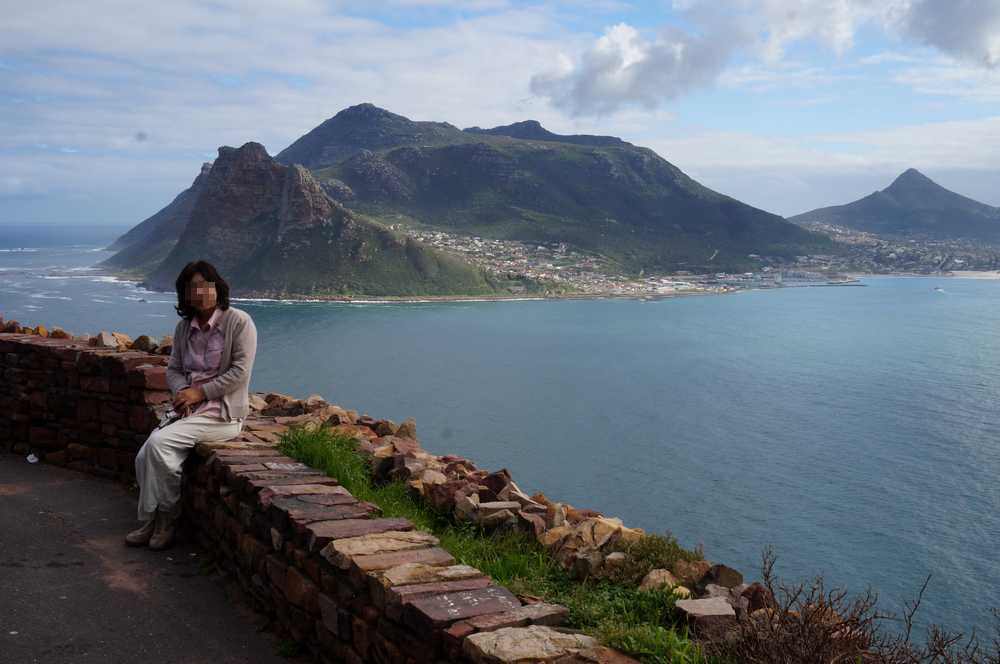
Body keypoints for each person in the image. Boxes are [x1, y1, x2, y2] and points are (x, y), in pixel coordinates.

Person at [125, 260, 258, 550]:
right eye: (192, 288)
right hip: (189, 410)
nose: (200, 292)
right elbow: (173, 369)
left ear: (217, 287)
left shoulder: (239, 322)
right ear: (185, 295)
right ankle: (151, 519)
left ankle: (167, 518)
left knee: (158, 445)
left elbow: (240, 372)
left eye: (204, 285)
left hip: (223, 414)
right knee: (143, 457)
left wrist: (199, 393)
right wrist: (183, 391)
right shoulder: (184, 328)